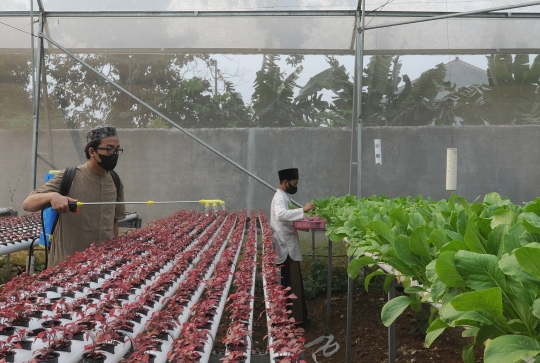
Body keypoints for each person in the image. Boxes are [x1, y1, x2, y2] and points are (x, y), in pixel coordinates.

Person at [23, 124, 126, 267]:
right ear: (92, 151)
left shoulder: (115, 180)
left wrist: (115, 255)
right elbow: (28, 203)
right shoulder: (70, 176)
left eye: (117, 150)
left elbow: (114, 221)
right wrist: (52, 196)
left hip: (102, 265)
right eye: (109, 149)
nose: (114, 154)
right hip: (67, 266)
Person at [270, 168, 315, 325]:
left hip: (288, 245)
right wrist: (303, 210)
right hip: (285, 247)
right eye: (294, 184)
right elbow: (281, 215)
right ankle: (293, 321)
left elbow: (287, 220)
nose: (295, 186)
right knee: (290, 284)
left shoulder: (284, 196)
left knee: (293, 283)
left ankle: (296, 318)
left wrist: (305, 220)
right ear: (285, 182)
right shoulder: (279, 198)